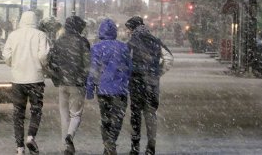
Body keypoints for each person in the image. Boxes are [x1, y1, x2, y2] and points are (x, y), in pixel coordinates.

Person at [3, 11, 50, 155]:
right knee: (36, 110)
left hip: (18, 80)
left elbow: (6, 55)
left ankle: (19, 147)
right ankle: (31, 136)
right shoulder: (40, 35)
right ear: (35, 20)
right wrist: (42, 65)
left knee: (18, 113)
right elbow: (43, 55)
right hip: (35, 79)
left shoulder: (13, 35)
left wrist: (14, 64)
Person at [125, 16, 173, 155]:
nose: (128, 31)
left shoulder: (131, 43)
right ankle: (151, 146)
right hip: (151, 84)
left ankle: (135, 146)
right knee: (151, 114)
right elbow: (169, 57)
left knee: (135, 115)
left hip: (136, 83)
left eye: (129, 28)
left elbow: (125, 61)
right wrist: (157, 72)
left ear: (133, 28)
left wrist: (130, 74)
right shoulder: (154, 40)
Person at [86, 18, 132, 155]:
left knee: (105, 118)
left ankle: (108, 144)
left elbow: (93, 70)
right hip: (120, 89)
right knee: (117, 119)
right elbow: (129, 68)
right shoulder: (123, 47)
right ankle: (111, 142)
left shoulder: (96, 48)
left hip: (103, 89)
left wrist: (89, 88)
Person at [48, 16, 91, 155]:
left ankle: (65, 146)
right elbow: (87, 63)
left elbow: (51, 61)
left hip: (62, 82)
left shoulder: (59, 42)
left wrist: (56, 77)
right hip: (77, 83)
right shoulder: (83, 42)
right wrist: (85, 77)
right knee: (76, 114)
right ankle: (69, 136)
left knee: (64, 114)